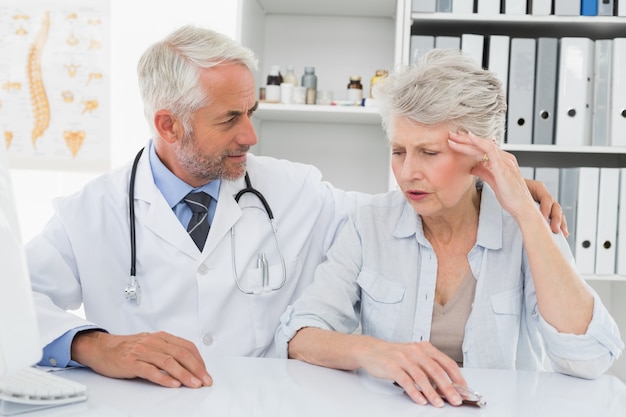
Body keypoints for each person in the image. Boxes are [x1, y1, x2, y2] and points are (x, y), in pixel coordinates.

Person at [26, 27, 567, 390]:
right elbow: (11, 303)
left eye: (252, 111)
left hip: (261, 406)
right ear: (169, 125)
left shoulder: (295, 191)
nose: (251, 134)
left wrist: (498, 185)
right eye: (229, 119)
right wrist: (91, 345)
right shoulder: (88, 213)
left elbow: (406, 206)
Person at [276, 49, 624, 408]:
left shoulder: (523, 226)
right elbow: (298, 335)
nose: (408, 171)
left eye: (429, 153)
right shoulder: (369, 223)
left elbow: (590, 357)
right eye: (399, 151)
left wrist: (525, 213)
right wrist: (372, 352)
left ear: (480, 155)